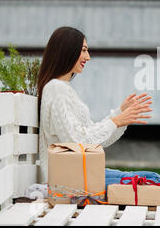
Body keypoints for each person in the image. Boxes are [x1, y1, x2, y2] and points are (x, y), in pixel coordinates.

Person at [37, 26, 153, 184]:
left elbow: (92, 139)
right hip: (69, 181)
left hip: (78, 174)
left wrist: (120, 115)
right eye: (83, 50)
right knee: (152, 179)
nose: (88, 57)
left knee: (150, 179)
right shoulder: (56, 88)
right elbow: (77, 140)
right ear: (67, 50)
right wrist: (117, 121)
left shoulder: (62, 89)